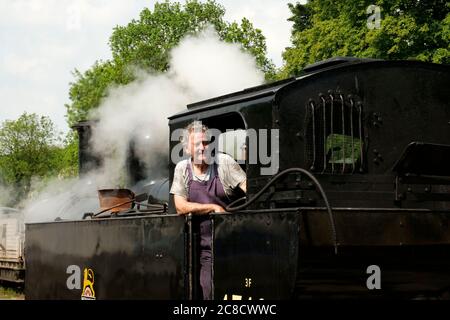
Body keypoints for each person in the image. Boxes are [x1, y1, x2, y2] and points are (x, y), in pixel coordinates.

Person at [170, 121, 246, 300]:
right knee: (209, 292)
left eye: (205, 143)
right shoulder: (182, 169)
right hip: (204, 249)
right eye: (197, 144)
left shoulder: (224, 163)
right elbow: (180, 206)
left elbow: (251, 189)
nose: (203, 148)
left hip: (232, 245)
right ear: (187, 149)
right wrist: (213, 207)